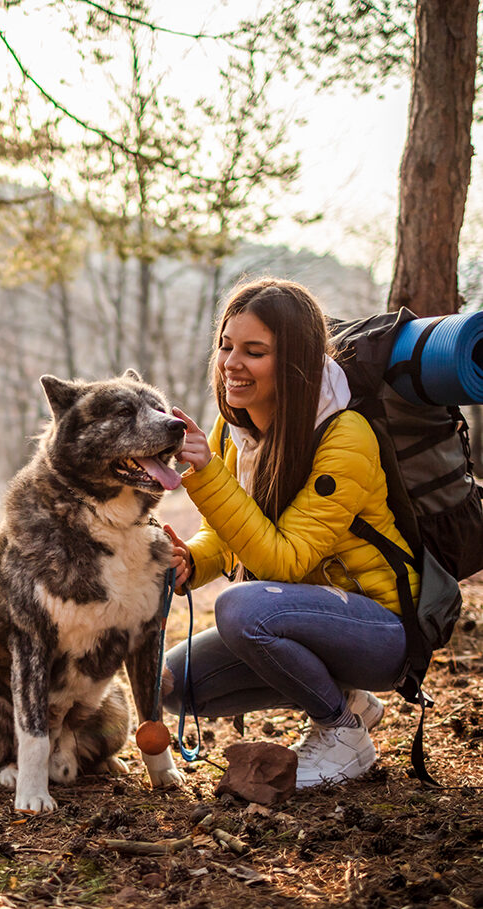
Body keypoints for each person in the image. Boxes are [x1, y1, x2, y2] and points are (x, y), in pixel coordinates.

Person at [162, 277, 420, 788]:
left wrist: (207, 477)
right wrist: (193, 561)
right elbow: (232, 531)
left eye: (254, 352)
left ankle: (342, 733)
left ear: (295, 363)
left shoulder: (345, 435)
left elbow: (286, 561)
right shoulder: (234, 431)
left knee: (242, 608)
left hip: (383, 628)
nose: (232, 363)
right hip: (310, 615)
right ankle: (346, 700)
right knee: (176, 682)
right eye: (226, 346)